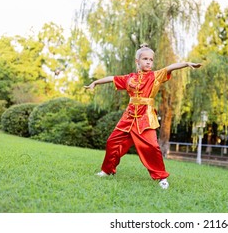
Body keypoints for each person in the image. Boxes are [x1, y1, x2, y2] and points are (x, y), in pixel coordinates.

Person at [84, 44, 202, 189]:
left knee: (152, 147)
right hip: (128, 117)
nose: (148, 62)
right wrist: (95, 82)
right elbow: (112, 78)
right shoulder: (129, 78)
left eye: (151, 60)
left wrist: (186, 64)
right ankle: (107, 170)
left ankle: (162, 178)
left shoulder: (155, 76)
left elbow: (170, 67)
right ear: (137, 61)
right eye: (145, 59)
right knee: (112, 142)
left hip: (145, 117)